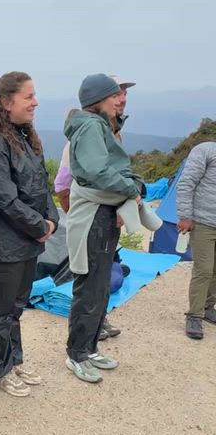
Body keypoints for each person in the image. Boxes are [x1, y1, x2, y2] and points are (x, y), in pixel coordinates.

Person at [0, 72, 58, 397]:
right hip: (5, 244)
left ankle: (15, 358)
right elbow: (5, 198)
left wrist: (50, 219)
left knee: (16, 307)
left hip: (28, 243)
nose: (35, 102)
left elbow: (41, 186)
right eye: (29, 96)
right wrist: (40, 227)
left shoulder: (26, 138)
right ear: (7, 103)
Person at [64, 74, 140, 383]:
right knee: (90, 286)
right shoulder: (92, 126)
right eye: (114, 96)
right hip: (94, 215)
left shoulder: (98, 125)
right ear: (99, 99)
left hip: (102, 213)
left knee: (99, 285)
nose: (119, 100)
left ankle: (90, 346)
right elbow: (97, 171)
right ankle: (77, 354)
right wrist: (132, 188)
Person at [176, 140, 216, 339]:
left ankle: (208, 307)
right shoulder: (206, 150)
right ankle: (194, 315)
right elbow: (186, 182)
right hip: (203, 222)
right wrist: (185, 216)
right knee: (204, 269)